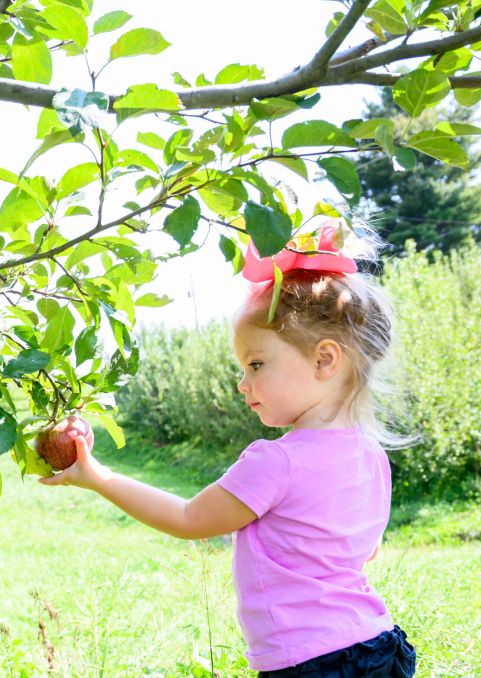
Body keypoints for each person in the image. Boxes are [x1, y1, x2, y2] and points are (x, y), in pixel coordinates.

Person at [39, 223, 417, 676]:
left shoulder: (277, 460)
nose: (243, 383)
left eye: (256, 364)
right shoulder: (370, 455)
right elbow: (364, 548)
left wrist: (96, 476)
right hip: (378, 646)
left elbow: (189, 519)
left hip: (312, 661)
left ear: (324, 360)